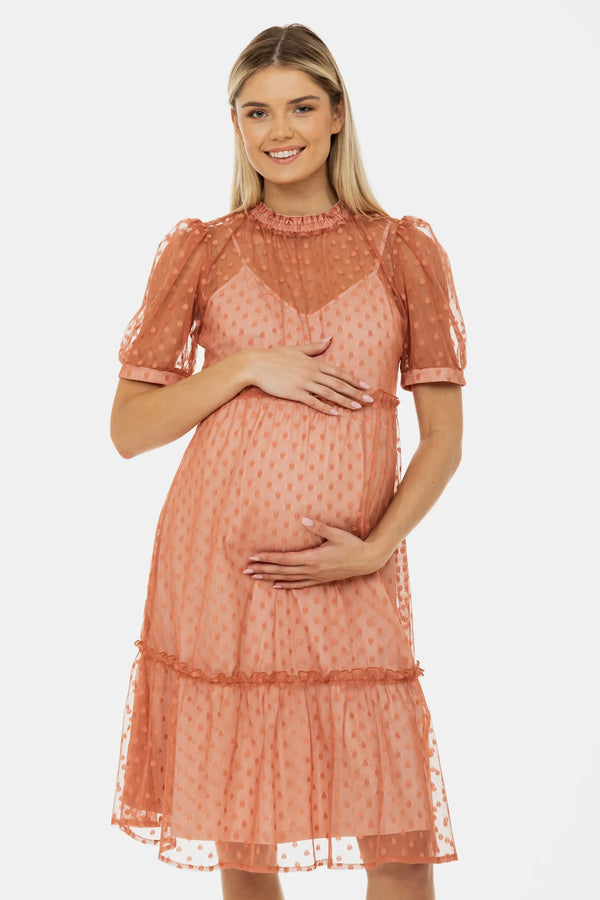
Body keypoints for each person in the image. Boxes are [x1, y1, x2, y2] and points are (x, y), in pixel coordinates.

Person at [109, 22, 467, 900]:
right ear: (235, 123)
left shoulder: (403, 249)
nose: (280, 130)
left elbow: (444, 438)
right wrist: (243, 368)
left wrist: (374, 549)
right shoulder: (202, 248)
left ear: (337, 114)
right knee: (249, 843)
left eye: (301, 107)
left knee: (400, 851)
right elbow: (129, 429)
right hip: (223, 573)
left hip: (354, 570)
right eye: (257, 111)